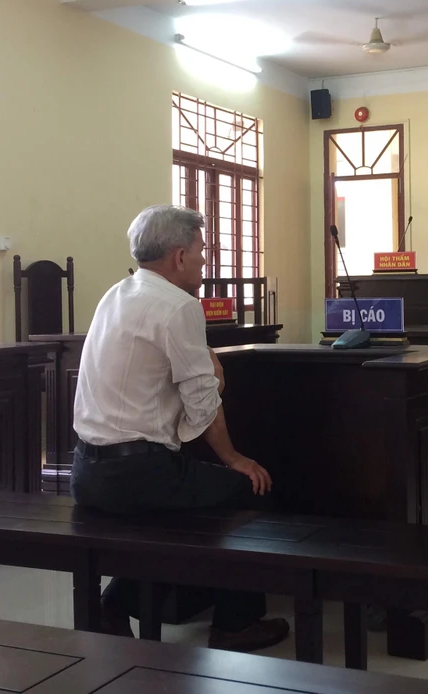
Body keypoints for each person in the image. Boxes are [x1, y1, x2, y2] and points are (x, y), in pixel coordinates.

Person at [70, 204, 288, 652]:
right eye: (201, 251)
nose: (205, 261)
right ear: (179, 256)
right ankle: (235, 625)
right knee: (251, 490)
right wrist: (234, 458)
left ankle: (113, 604)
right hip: (136, 475)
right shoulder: (179, 306)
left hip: (86, 472)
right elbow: (203, 402)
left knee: (175, 514)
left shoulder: (117, 293)